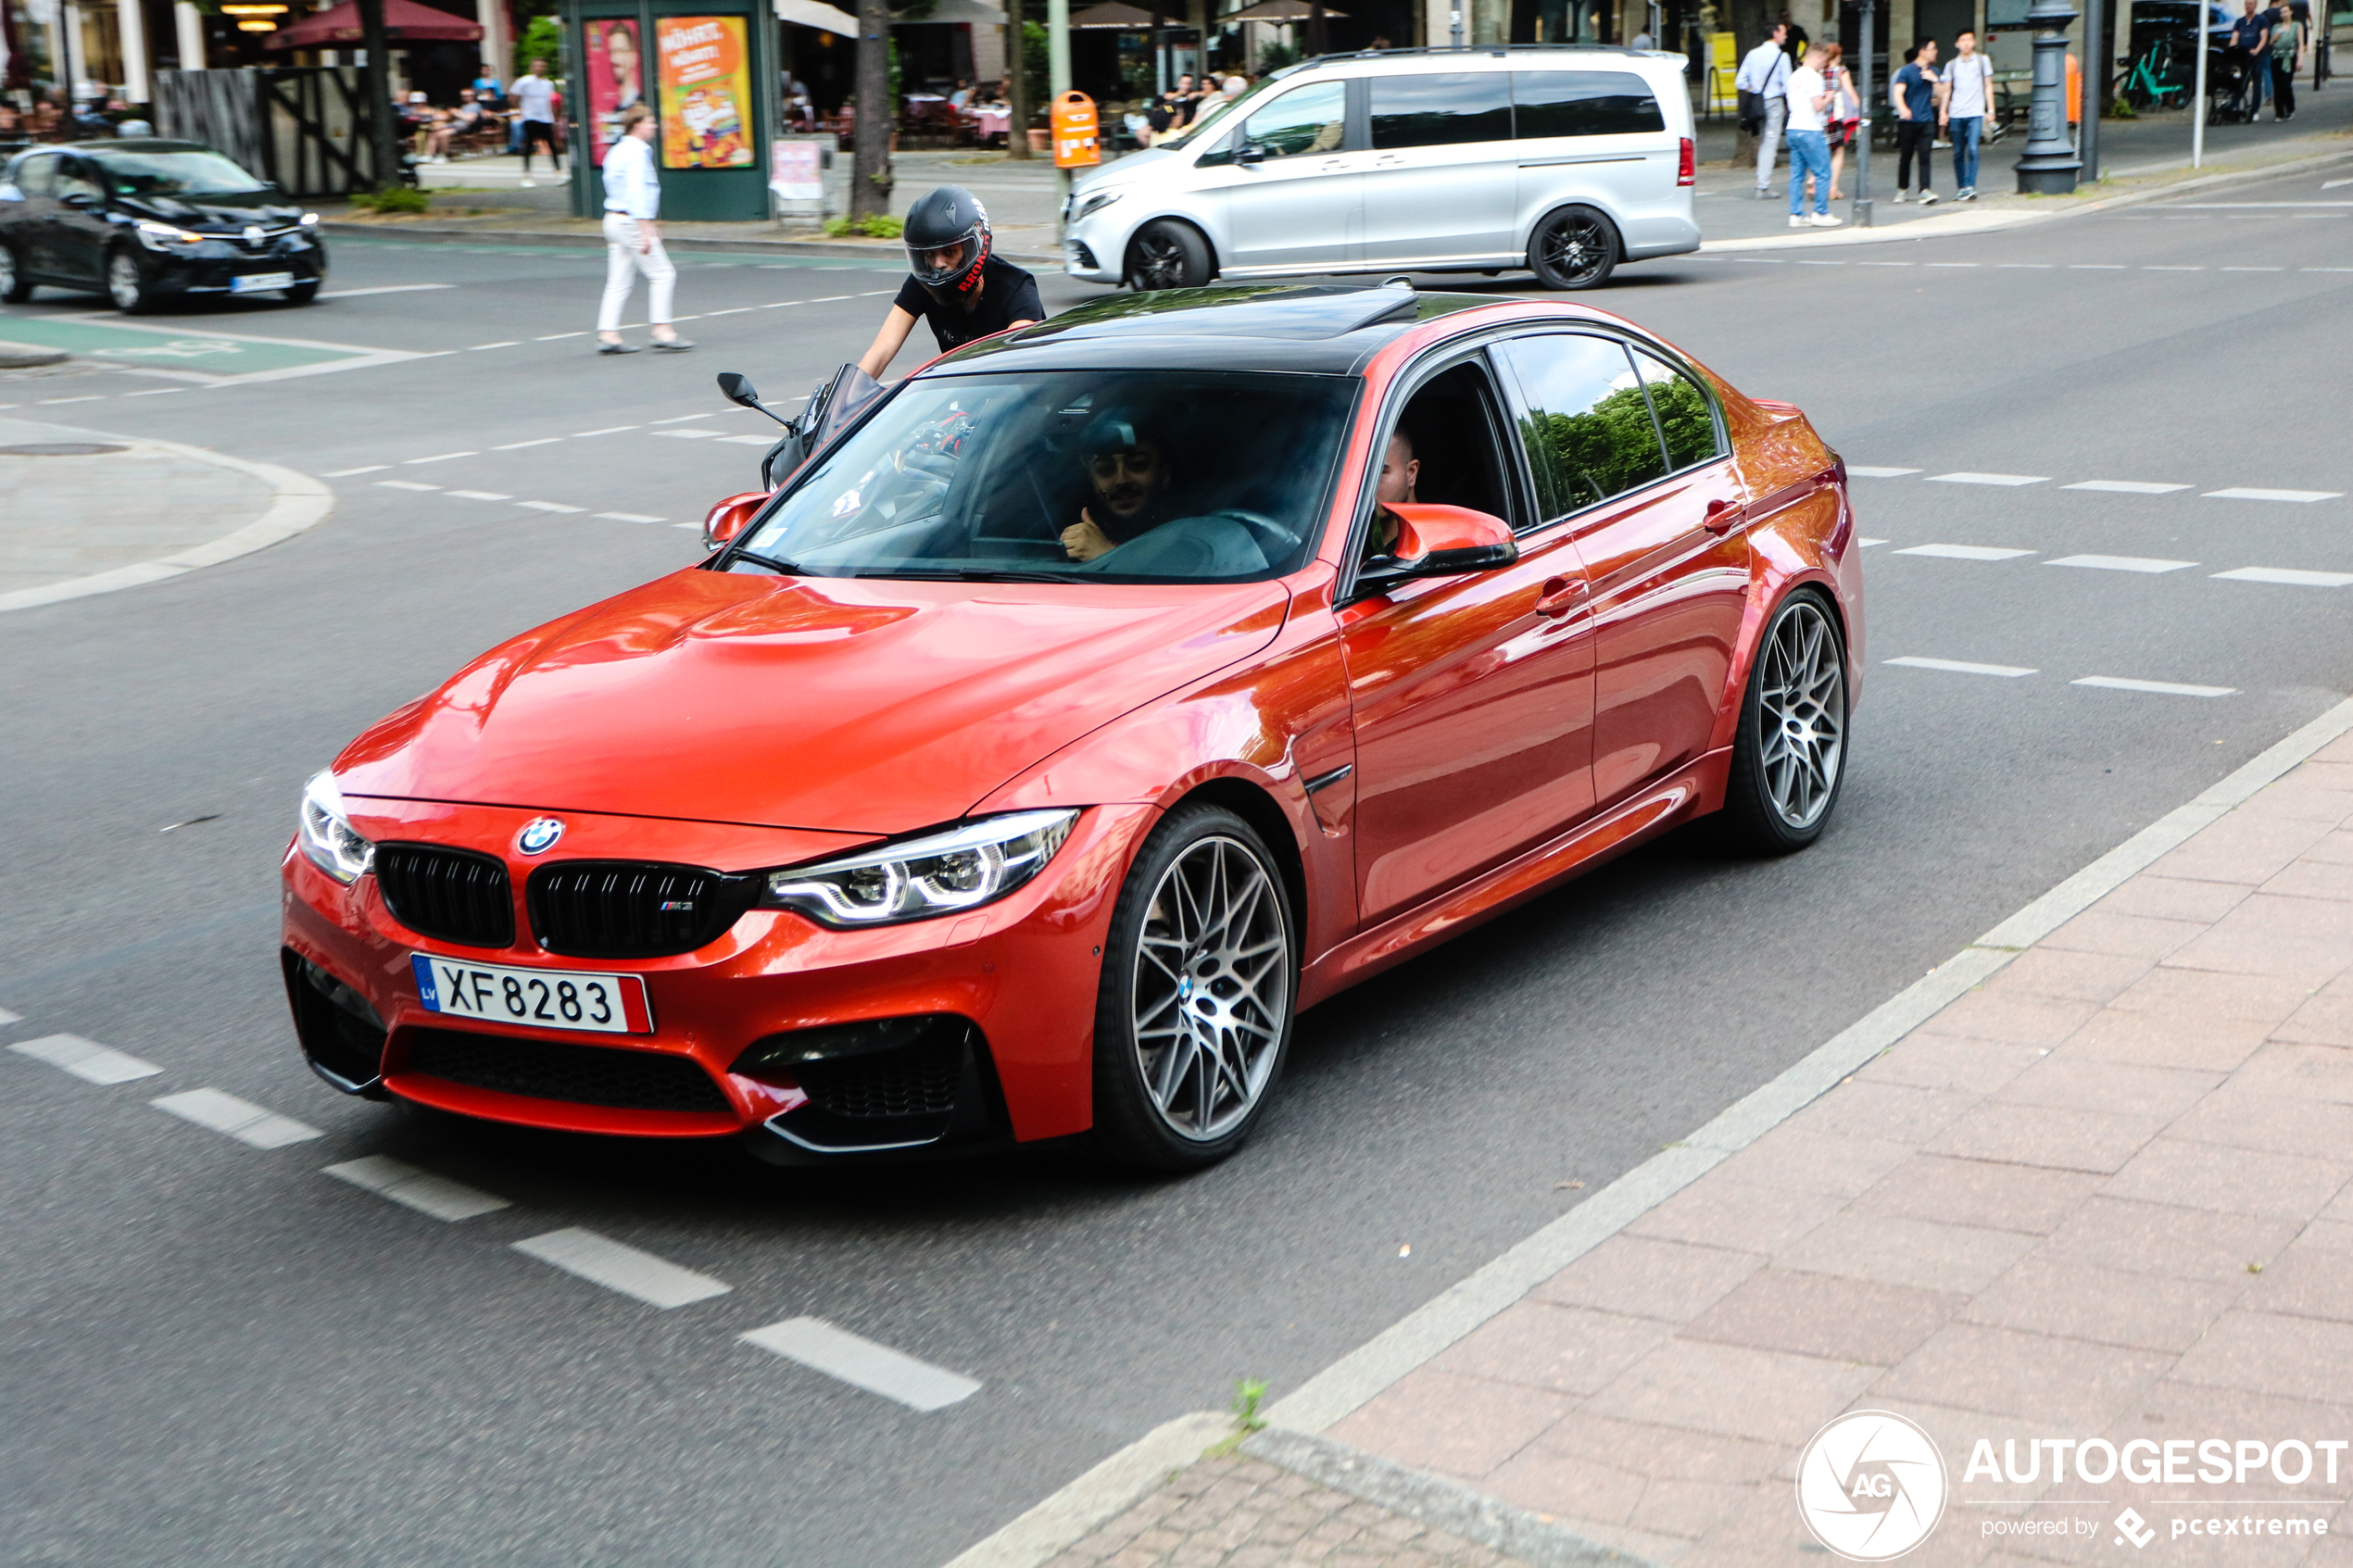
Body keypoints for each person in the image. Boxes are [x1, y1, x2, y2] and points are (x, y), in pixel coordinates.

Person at [856, 186, 1043, 379]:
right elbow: (879, 353)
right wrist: (845, 398)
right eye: (929, 254)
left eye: (949, 252)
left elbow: (1017, 359)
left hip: (1022, 390)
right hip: (961, 389)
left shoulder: (1017, 287)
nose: (938, 264)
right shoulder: (923, 284)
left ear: (973, 247)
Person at [1055, 412, 1266, 574]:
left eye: (1137, 466)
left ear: (1164, 475)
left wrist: (1106, 557)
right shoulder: (1064, 532)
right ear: (1092, 478)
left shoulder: (1195, 540)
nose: (1121, 480)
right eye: (1105, 470)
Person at [596, 106, 691, 355]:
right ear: (637, 124)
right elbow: (637, 191)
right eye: (650, 122)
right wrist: (645, 226)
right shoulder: (638, 154)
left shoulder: (616, 150)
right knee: (662, 274)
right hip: (630, 221)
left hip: (614, 219)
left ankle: (608, 333)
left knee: (618, 280)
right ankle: (662, 330)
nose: (654, 126)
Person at [1784, 44, 1841, 228]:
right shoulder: (1814, 77)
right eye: (1823, 61)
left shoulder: (1794, 76)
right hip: (1810, 128)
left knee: (1797, 174)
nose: (1823, 65)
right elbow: (1818, 106)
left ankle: (1796, 214)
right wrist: (1829, 98)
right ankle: (1820, 212)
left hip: (1793, 127)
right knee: (1823, 172)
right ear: (1817, 57)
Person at [1737, 21, 1792, 198]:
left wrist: (1755, 90)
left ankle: (1762, 183)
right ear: (1775, 33)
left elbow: (1740, 82)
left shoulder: (1753, 54)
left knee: (1763, 141)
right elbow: (1787, 85)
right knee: (1770, 143)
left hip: (1758, 103)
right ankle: (1763, 186)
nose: (1786, 36)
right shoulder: (1782, 57)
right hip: (1774, 102)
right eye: (1783, 32)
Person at [1940, 29, 1993, 201]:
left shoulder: (1982, 61)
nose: (1966, 43)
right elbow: (1947, 90)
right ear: (1957, 44)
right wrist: (1943, 111)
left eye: (1969, 40)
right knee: (1958, 151)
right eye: (1963, 40)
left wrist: (1991, 109)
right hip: (1956, 112)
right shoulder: (1951, 65)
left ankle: (1971, 186)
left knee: (1973, 148)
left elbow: (1988, 86)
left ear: (1974, 42)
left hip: (1976, 112)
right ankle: (1961, 186)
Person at [1892, 41, 1941, 205]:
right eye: (1932, 49)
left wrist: (1935, 80)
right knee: (1906, 156)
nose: (1935, 52)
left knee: (1925, 155)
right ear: (1922, 51)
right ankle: (1902, 188)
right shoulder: (1906, 71)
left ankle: (1925, 190)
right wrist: (1903, 108)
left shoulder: (1934, 71)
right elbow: (1898, 92)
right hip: (1908, 121)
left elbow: (1941, 95)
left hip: (1927, 119)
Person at [1364, 427, 1420, 560]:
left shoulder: (1432, 546)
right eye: (1362, 475)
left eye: (1380, 473)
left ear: (1411, 472)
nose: (1367, 485)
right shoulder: (1347, 544)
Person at [1821, 43, 1860, 201]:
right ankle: (1833, 187)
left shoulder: (1817, 71)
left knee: (1821, 150)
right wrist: (1859, 110)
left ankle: (1815, 181)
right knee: (1838, 151)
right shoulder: (1841, 71)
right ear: (1837, 56)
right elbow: (1850, 93)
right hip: (1835, 117)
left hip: (1819, 116)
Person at [511, 57, 561, 174]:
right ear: (532, 68)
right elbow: (514, 95)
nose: (540, 68)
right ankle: (527, 170)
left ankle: (557, 169)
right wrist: (519, 110)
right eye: (537, 66)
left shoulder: (548, 83)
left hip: (546, 116)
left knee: (551, 144)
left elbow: (551, 101)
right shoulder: (524, 81)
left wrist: (554, 117)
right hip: (530, 116)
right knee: (529, 144)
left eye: (542, 66)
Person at [2269, 1, 2302, 118]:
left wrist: (2300, 60)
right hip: (2277, 56)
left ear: (2291, 12)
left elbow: (2301, 44)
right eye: (2282, 12)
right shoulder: (2277, 27)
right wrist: (2274, 38)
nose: (2283, 14)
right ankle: (2279, 112)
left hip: (2289, 57)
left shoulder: (2297, 25)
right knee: (2277, 85)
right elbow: (2271, 43)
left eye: (2285, 12)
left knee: (2285, 84)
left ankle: (2290, 107)